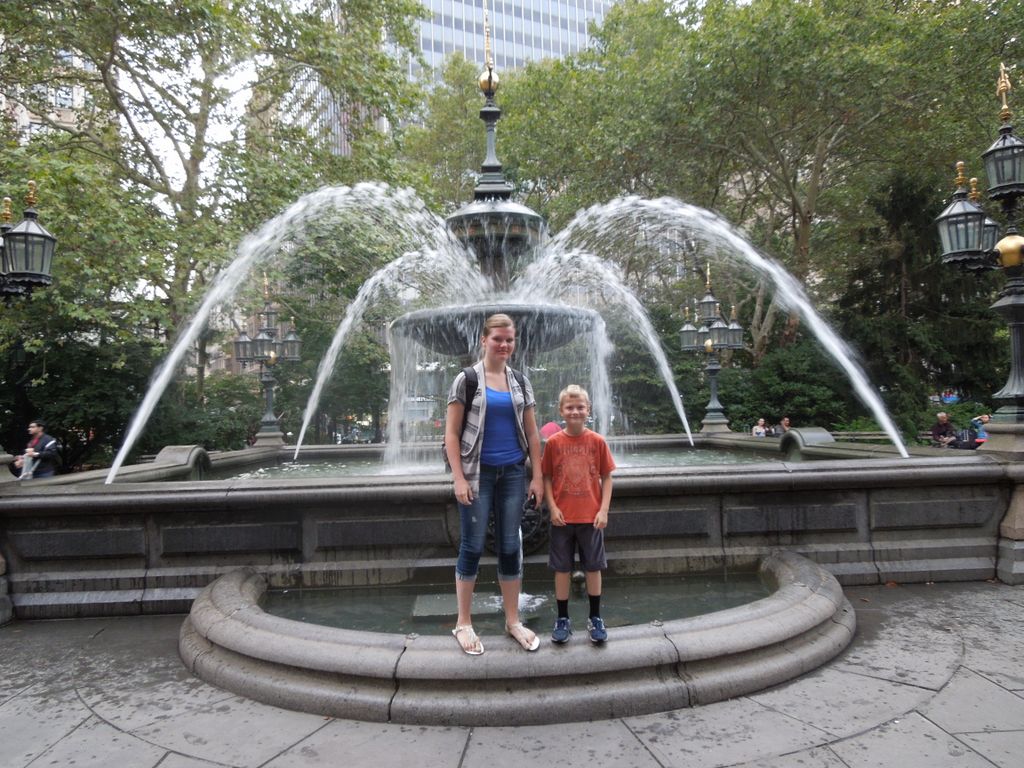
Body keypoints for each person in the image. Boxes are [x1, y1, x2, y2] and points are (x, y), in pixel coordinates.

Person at [444, 313, 544, 655]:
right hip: (478, 474)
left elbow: (532, 433)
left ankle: (513, 621)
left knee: (510, 546)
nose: (504, 345)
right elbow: (451, 434)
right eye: (498, 339)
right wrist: (458, 478)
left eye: (509, 340)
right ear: (484, 340)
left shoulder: (520, 381)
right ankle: (463, 623)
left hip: (513, 472)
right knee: (472, 546)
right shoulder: (467, 380)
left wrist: (537, 476)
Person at [541, 384, 616, 645]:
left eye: (580, 407)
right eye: (570, 407)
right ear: (561, 410)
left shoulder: (597, 441)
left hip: (590, 517)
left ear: (588, 410)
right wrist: (552, 507)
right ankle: (562, 618)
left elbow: (607, 477)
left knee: (594, 568)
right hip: (562, 518)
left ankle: (595, 617)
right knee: (561, 570)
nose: (575, 411)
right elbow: (546, 477)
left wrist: (603, 510)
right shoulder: (553, 443)